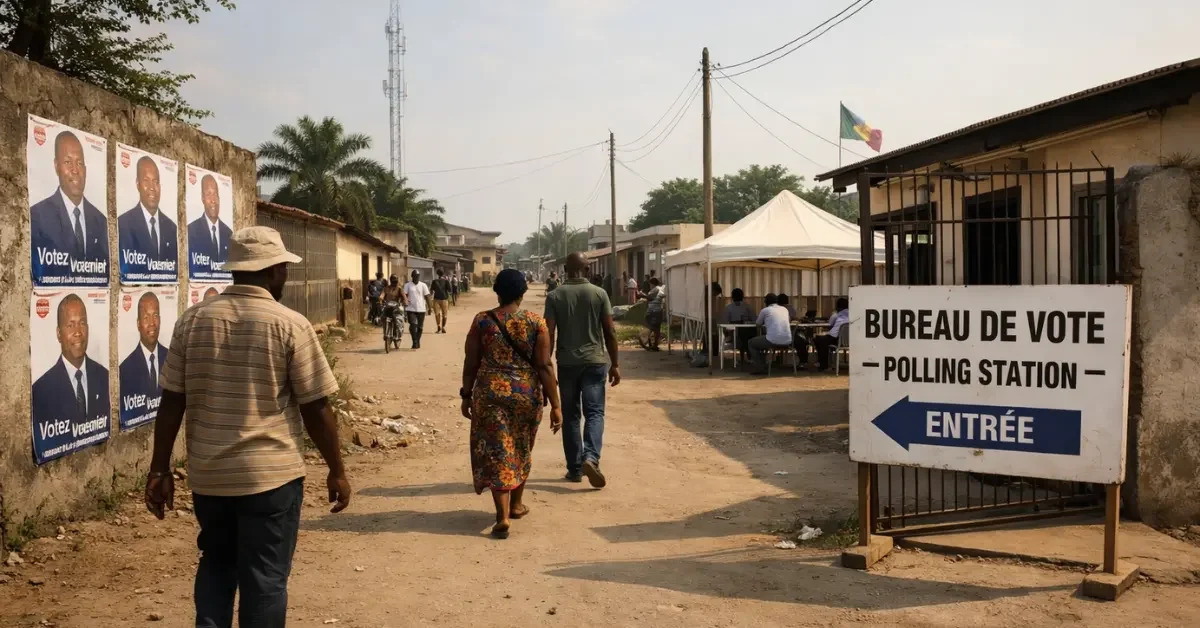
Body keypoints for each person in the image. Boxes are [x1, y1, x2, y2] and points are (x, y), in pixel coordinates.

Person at [144, 226, 350, 628]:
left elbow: (172, 401)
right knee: (266, 579)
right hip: (271, 478)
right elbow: (316, 407)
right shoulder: (290, 324)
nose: (285, 277)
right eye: (283, 270)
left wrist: (160, 468)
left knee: (217, 566)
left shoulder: (192, 322)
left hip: (211, 478)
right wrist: (337, 470)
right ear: (274, 272)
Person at [461, 269, 562, 538]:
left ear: (497, 291)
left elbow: (471, 361)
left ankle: (502, 514)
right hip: (525, 394)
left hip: (489, 393)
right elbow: (544, 365)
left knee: (497, 451)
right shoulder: (536, 322)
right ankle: (516, 505)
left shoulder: (482, 321)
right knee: (520, 445)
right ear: (522, 292)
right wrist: (556, 405)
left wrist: (466, 394)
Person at [544, 252, 621, 487]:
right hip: (595, 362)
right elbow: (609, 331)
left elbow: (549, 334)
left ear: (565, 270)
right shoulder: (599, 294)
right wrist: (615, 364)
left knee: (571, 416)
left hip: (567, 364)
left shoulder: (554, 296)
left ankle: (575, 469)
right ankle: (591, 457)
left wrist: (546, 368)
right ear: (587, 270)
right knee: (595, 413)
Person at [31, 293, 111, 462]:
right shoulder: (42, 388)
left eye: (82, 323)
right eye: (70, 325)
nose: (78, 332)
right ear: (59, 334)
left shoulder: (104, 376)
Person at [30, 130, 109, 285]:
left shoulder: (100, 220)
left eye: (79, 163)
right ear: (56, 166)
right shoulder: (38, 216)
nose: (75, 170)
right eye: (68, 162)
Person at [117, 156, 178, 281]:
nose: (152, 188)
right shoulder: (123, 224)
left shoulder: (171, 227)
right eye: (146, 181)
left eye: (156, 182)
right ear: (138, 184)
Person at [118, 291, 168, 425]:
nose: (152, 323)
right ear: (138, 324)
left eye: (155, 316)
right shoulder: (125, 369)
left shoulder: (171, 359)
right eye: (146, 318)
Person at [187, 174, 233, 267]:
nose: (213, 200)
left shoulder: (228, 233)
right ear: (202, 198)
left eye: (215, 194)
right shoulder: (191, 230)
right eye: (208, 194)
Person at [748, 292, 793, 375]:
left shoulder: (765, 310)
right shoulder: (784, 309)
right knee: (762, 341)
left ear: (766, 302)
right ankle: (763, 364)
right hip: (788, 340)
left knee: (751, 343)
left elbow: (758, 324)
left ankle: (760, 368)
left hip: (772, 340)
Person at [814, 297, 850, 371]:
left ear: (838, 307)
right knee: (823, 341)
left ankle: (823, 364)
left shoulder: (837, 314)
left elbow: (830, 325)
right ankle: (823, 363)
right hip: (848, 340)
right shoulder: (853, 314)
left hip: (835, 338)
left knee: (818, 339)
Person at [723, 288, 757, 362]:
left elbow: (725, 323)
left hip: (739, 334)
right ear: (743, 297)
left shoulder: (729, 308)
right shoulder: (747, 307)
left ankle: (749, 355)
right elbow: (755, 320)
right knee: (746, 333)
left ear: (732, 297)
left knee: (745, 332)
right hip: (738, 334)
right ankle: (751, 356)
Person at [403, 270, 432, 349]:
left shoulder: (423, 285)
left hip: (421, 309)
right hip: (410, 308)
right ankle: (414, 341)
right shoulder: (407, 285)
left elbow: (427, 297)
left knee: (420, 327)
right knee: (413, 325)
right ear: (412, 276)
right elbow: (404, 296)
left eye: (418, 276)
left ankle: (417, 340)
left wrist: (430, 308)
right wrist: (404, 305)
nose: (417, 278)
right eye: (415, 276)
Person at [641, 277, 666, 351]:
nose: (650, 285)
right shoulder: (660, 289)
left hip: (653, 312)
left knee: (651, 327)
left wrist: (641, 294)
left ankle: (646, 340)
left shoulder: (656, 289)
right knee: (656, 329)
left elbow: (650, 298)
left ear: (652, 284)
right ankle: (654, 345)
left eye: (650, 284)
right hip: (658, 311)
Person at [381, 274, 407, 339]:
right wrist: (380, 300)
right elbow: (382, 295)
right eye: (393, 282)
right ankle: (385, 332)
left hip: (396, 308)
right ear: (390, 281)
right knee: (383, 318)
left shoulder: (399, 289)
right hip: (387, 307)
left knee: (398, 321)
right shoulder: (386, 288)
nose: (394, 283)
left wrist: (405, 302)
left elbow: (404, 297)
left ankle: (398, 334)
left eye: (395, 282)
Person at [430, 269, 453, 334]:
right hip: (444, 299)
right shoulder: (446, 281)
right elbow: (450, 290)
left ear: (437, 274)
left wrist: (431, 297)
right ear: (443, 274)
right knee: (444, 314)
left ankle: (438, 326)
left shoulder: (434, 281)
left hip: (436, 299)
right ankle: (443, 327)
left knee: (437, 314)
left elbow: (431, 290)